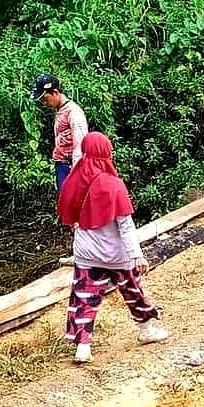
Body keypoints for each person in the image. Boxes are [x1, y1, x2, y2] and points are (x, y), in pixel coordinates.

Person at [58, 131, 169, 363]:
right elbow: (126, 226)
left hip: (86, 254)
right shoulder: (113, 184)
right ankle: (147, 330)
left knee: (84, 299)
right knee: (133, 293)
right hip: (117, 255)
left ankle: (83, 346)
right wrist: (138, 256)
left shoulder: (72, 180)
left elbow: (69, 215)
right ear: (105, 152)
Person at [31, 74, 88, 190]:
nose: (44, 103)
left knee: (70, 202)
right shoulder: (61, 109)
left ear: (55, 92)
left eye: (45, 99)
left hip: (70, 165)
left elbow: (80, 143)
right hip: (62, 164)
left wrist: (76, 171)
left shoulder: (73, 112)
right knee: (63, 201)